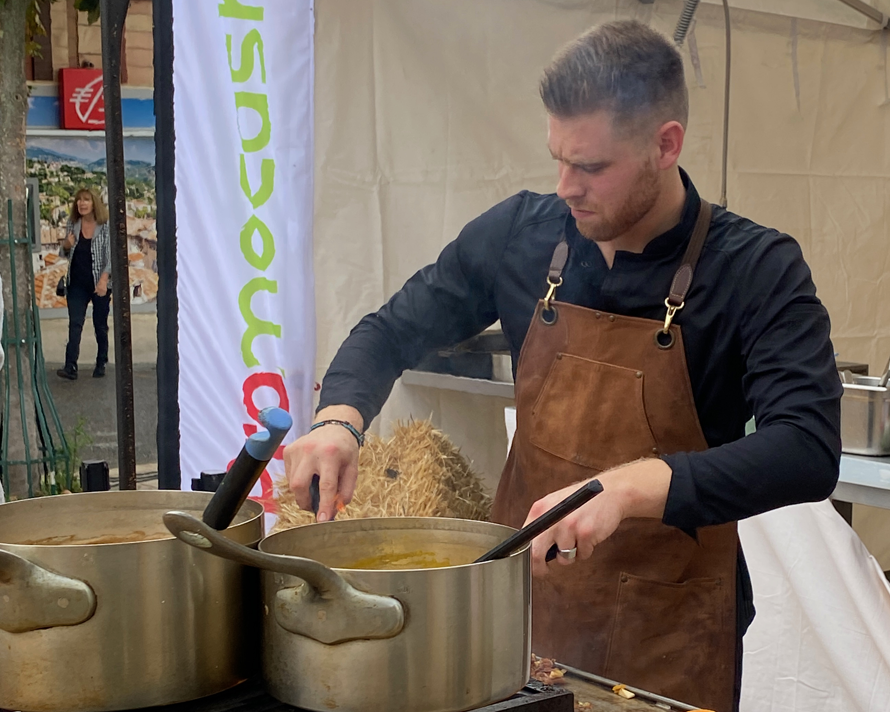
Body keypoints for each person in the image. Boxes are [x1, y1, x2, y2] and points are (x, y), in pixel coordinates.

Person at [283, 20, 842, 712]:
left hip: (669, 634)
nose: (566, 187)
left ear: (666, 145)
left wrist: (628, 488)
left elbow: (807, 450)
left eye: (592, 167)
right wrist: (340, 418)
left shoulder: (756, 269)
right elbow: (392, 330)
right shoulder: (523, 234)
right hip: (521, 611)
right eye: (557, 158)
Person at [57, 188, 112, 380]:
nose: (82, 203)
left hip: (99, 283)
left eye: (86, 200)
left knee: (100, 325)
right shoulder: (73, 224)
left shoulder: (105, 226)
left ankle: (101, 361)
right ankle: (70, 366)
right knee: (75, 324)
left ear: (94, 203)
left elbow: (111, 256)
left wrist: (104, 280)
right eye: (79, 200)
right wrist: (65, 246)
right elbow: (64, 254)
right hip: (77, 284)